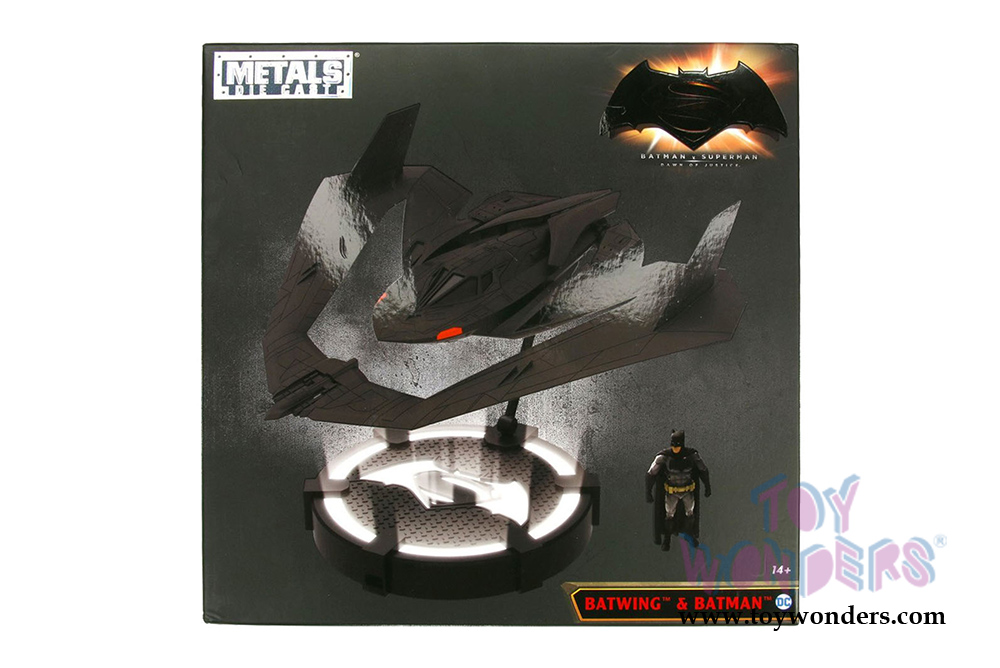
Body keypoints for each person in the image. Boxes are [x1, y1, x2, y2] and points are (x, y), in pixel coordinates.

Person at [645, 429, 711, 550]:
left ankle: (690, 535)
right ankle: (667, 539)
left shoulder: (691, 455)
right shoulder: (664, 457)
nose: (675, 448)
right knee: (669, 515)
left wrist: (707, 486)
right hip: (672, 493)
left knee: (690, 514)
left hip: (687, 492)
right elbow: (651, 474)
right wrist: (648, 492)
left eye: (678, 445)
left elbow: (703, 470)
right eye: (673, 445)